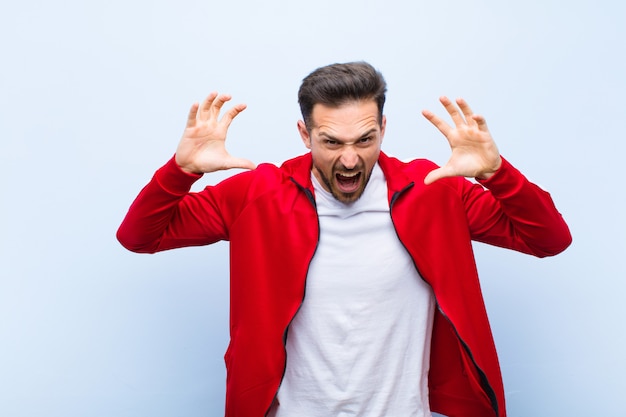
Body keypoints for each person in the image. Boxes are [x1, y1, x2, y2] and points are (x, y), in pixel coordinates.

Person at [117, 62, 571, 417]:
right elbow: (139, 236)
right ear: (304, 134)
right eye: (332, 142)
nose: (351, 159)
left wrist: (496, 174)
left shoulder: (435, 191)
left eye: (365, 140)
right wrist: (182, 171)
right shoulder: (256, 194)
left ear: (383, 130)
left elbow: (549, 239)